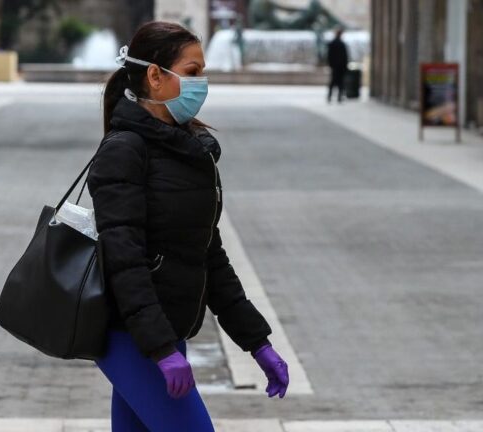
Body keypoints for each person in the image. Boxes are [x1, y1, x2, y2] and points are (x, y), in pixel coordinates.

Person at [86, 21, 290, 431]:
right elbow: (123, 260)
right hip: (133, 338)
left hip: (163, 333)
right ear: (155, 76)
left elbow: (207, 255)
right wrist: (161, 350)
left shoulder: (186, 150)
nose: (202, 83)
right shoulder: (124, 152)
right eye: (193, 72)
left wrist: (257, 342)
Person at [326, 27, 349, 104]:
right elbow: (345, 57)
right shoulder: (341, 44)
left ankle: (330, 97)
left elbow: (329, 56)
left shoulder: (333, 43)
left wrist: (331, 64)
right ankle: (338, 97)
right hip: (340, 66)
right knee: (340, 82)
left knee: (334, 82)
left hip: (335, 66)